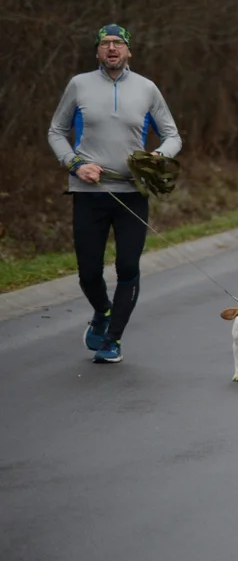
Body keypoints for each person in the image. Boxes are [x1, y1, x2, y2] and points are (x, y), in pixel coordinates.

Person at [47, 24, 183, 364]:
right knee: (89, 272)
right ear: (97, 51)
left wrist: (158, 157)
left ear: (128, 51)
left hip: (132, 192)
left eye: (118, 43)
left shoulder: (146, 89)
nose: (112, 48)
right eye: (105, 43)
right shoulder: (79, 85)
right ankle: (102, 311)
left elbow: (173, 136)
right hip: (89, 191)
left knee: (127, 266)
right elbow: (56, 131)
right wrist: (75, 164)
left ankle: (113, 339)